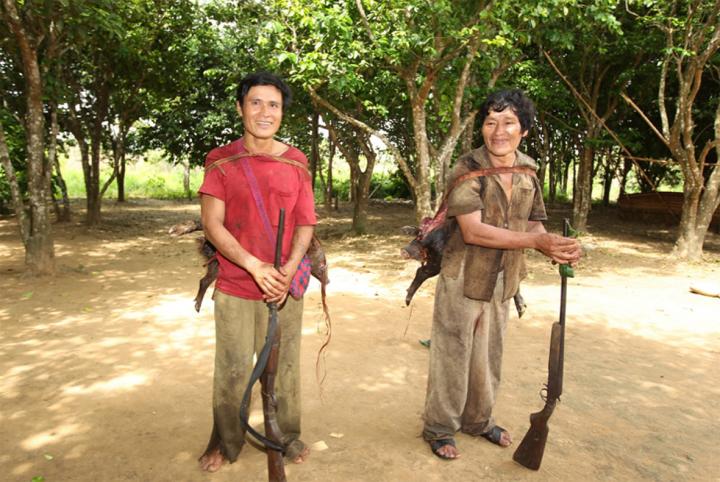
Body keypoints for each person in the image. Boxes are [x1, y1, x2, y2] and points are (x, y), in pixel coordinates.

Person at [421, 89, 582, 460]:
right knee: (453, 353)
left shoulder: (528, 170)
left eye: (509, 122)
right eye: (491, 122)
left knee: (489, 355)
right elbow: (473, 231)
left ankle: (478, 420)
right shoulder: (466, 169)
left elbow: (534, 220)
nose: (498, 130)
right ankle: (440, 427)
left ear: (523, 129)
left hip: (505, 278)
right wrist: (536, 243)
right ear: (482, 128)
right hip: (463, 275)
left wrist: (555, 247)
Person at [197, 72, 316, 472]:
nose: (265, 112)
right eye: (256, 103)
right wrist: (254, 266)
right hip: (235, 284)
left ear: (282, 112)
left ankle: (287, 436)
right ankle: (227, 441)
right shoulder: (221, 160)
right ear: (240, 108)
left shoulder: (297, 161)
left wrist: (286, 269)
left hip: (283, 286)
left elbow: (305, 223)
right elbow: (213, 223)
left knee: (285, 369)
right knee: (232, 370)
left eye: (274, 105)